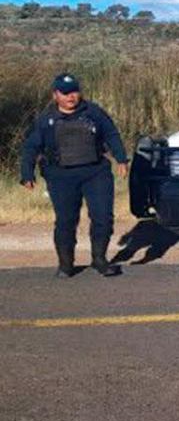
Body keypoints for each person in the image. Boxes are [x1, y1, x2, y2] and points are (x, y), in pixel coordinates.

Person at [19, 74, 128, 278]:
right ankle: (66, 264)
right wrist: (27, 173)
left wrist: (121, 158)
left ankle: (99, 260)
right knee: (66, 220)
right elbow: (31, 147)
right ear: (55, 95)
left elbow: (111, 134)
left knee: (103, 217)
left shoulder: (93, 112)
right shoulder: (46, 120)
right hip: (60, 175)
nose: (71, 97)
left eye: (74, 92)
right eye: (65, 93)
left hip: (95, 172)